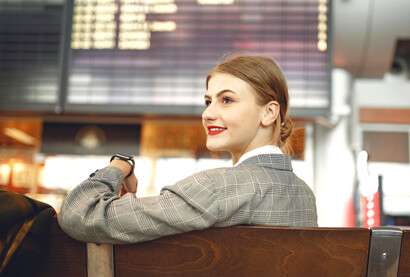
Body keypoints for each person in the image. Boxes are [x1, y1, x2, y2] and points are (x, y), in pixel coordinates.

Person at [58, 55, 317, 244]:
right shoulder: (305, 195)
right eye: (208, 101)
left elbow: (80, 215)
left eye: (226, 100)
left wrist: (119, 165)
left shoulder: (217, 187)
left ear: (269, 112)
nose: (207, 113)